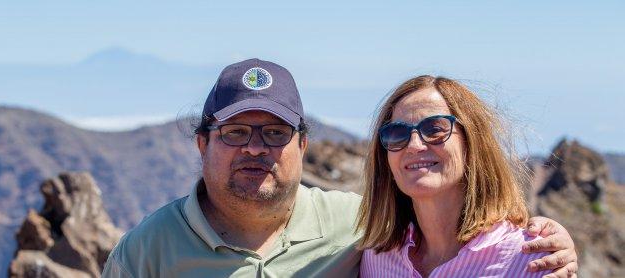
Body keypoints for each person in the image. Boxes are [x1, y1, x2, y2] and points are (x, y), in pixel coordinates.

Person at [102, 59, 577, 277]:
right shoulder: (146, 252)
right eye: (234, 133)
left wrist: (552, 241)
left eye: (275, 133)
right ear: (202, 144)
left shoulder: (361, 227)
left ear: (303, 145)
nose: (254, 149)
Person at [357, 75, 572, 277]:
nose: (414, 145)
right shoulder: (376, 259)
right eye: (397, 133)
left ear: (472, 143)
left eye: (434, 129)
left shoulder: (533, 259)